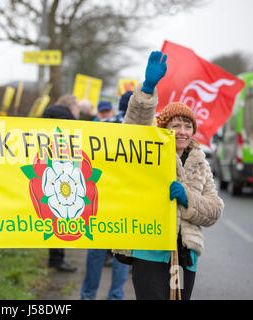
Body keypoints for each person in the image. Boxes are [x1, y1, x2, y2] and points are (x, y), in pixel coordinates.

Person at [118, 51, 224, 299]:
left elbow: (215, 209)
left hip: (185, 254)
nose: (183, 131)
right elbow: (134, 128)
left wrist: (187, 198)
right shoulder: (149, 152)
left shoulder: (201, 163)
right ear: (164, 129)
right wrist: (147, 89)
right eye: (176, 125)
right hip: (149, 250)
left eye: (188, 126)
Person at [80, 93, 132, 300]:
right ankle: (116, 296)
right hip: (126, 200)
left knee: (96, 251)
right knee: (122, 253)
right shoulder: (143, 130)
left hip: (100, 197)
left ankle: (88, 295)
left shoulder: (102, 125)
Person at [41, 96, 78, 273]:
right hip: (62, 171)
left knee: (48, 212)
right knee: (59, 214)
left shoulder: (45, 115)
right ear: (71, 107)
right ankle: (57, 258)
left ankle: (54, 257)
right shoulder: (70, 120)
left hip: (43, 168)